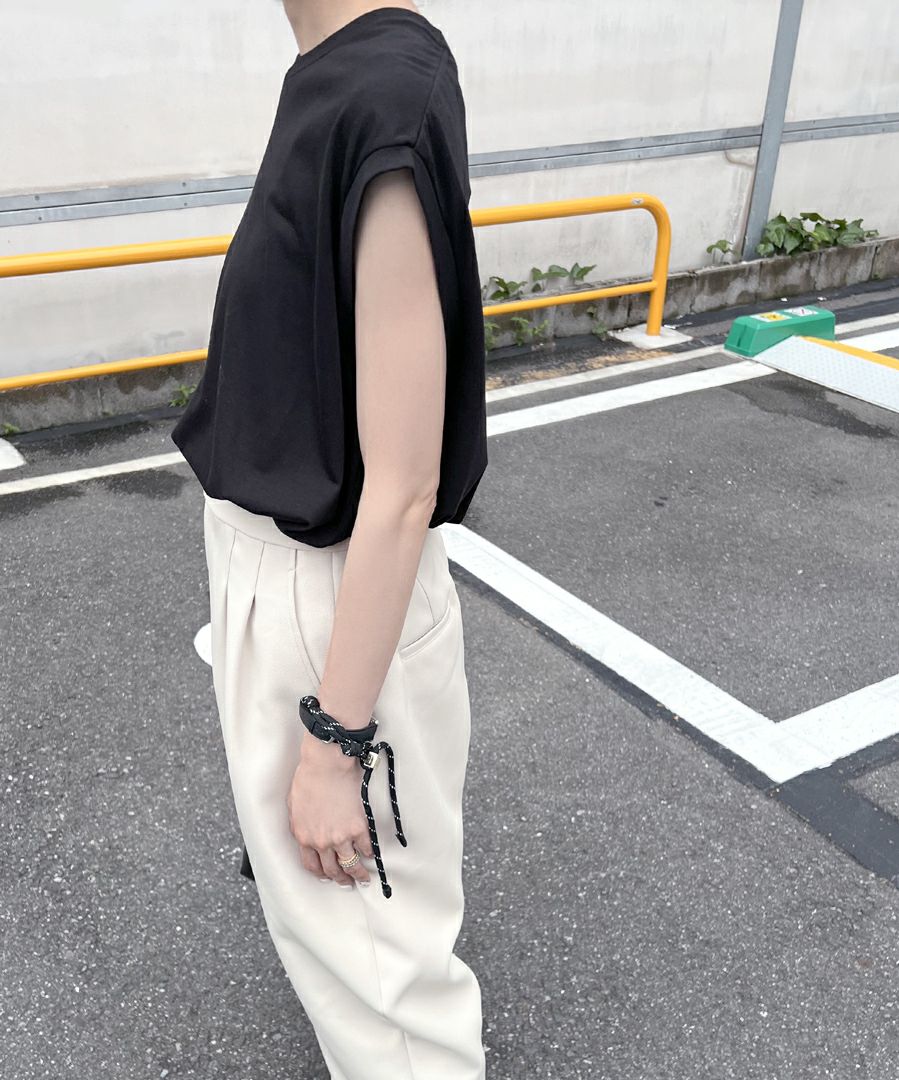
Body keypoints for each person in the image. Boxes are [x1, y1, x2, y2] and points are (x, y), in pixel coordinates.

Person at [170, 2, 489, 1077]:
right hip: (290, 576)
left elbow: (401, 485)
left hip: (328, 594)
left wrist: (333, 741)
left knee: (386, 1003)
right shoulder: (338, 67)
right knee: (354, 964)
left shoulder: (378, 94)